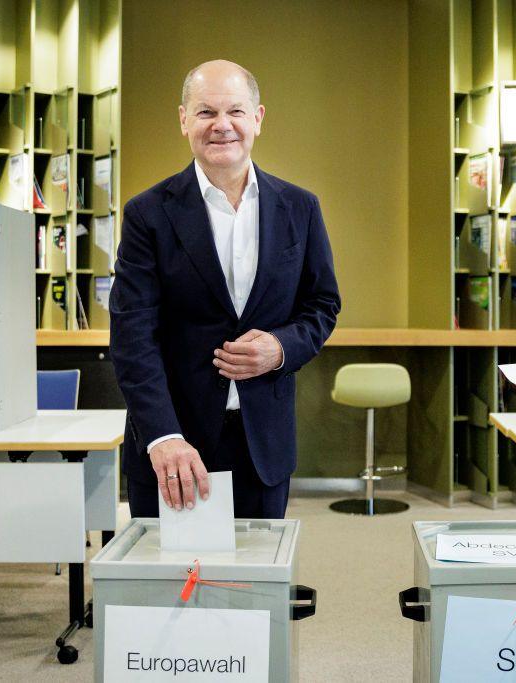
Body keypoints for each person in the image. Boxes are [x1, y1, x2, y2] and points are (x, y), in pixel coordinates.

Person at [110, 60, 340, 520]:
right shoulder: (147, 214)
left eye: (235, 111)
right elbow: (133, 334)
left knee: (255, 586)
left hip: (263, 445)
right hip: (175, 446)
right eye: (205, 112)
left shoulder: (300, 207)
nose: (222, 126)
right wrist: (162, 436)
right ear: (183, 120)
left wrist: (280, 346)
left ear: (257, 118)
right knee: (173, 588)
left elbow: (322, 305)